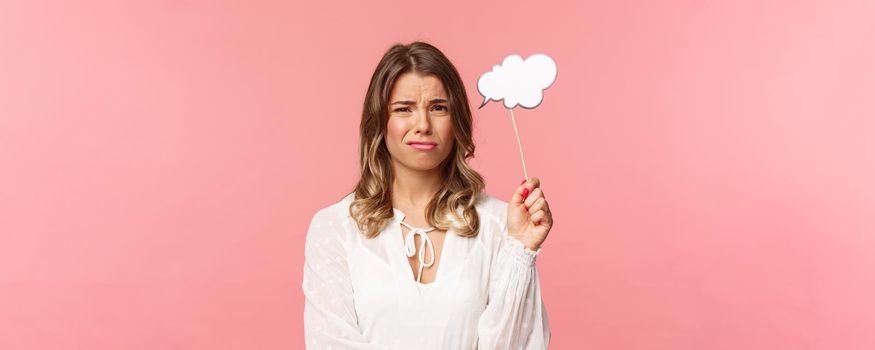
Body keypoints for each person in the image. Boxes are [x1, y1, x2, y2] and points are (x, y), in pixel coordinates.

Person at [302, 41, 554, 349]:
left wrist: (521, 250)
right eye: (404, 109)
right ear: (380, 122)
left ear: (456, 119)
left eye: (438, 108)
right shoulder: (335, 227)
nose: (422, 125)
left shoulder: (502, 224)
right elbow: (332, 342)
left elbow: (516, 345)